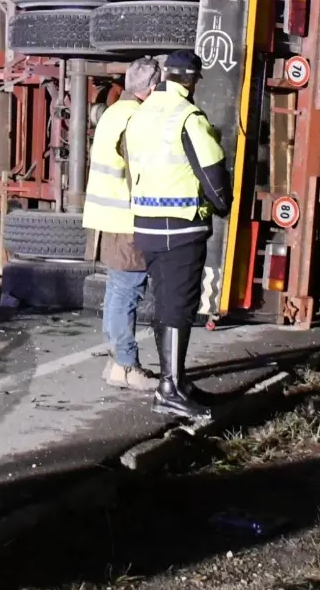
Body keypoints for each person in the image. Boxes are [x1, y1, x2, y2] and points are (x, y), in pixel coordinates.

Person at [123, 50, 232, 421]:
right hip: (180, 226)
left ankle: (178, 381)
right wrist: (223, 205)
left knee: (165, 301)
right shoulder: (188, 117)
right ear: (192, 80)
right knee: (179, 308)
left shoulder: (141, 114)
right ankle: (170, 389)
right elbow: (212, 172)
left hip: (146, 224)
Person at [82, 57, 162, 391]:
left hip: (106, 219)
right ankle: (126, 366)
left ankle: (117, 362)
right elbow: (139, 174)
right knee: (126, 293)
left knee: (118, 292)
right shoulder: (138, 119)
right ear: (154, 87)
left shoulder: (114, 112)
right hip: (127, 221)